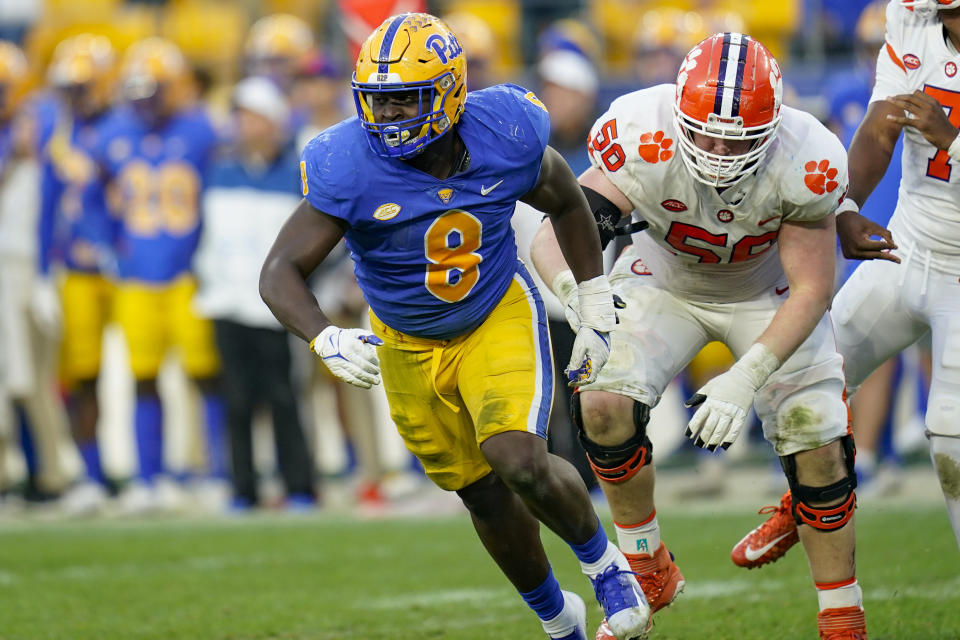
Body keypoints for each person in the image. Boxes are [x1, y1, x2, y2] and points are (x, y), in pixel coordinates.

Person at [260, 13, 652, 640]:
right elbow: (280, 270)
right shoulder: (347, 162)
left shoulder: (506, 131)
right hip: (405, 340)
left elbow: (566, 197)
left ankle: (608, 569)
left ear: (447, 92)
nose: (385, 117)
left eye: (401, 101)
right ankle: (558, 619)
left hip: (493, 312)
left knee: (518, 458)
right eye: (376, 102)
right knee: (482, 493)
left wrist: (593, 285)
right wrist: (323, 335)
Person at [530, 32, 867, 639]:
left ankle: (842, 615)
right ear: (678, 110)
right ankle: (645, 568)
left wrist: (745, 378)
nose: (714, 150)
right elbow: (558, 230)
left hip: (769, 295)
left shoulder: (808, 153)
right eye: (704, 132)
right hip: (663, 281)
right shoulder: (641, 128)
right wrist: (579, 297)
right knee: (600, 401)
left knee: (816, 437)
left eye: (735, 139)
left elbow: (813, 286)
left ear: (772, 126)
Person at [733, 0, 960, 569]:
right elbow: (882, 123)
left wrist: (952, 140)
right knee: (801, 380)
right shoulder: (911, 20)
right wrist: (848, 203)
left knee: (951, 440)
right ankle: (808, 499)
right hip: (907, 246)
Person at [98, 38, 224, 511]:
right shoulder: (112, 131)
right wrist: (109, 243)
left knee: (206, 375)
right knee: (142, 377)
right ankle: (149, 479)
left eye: (154, 92)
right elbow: (84, 192)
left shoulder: (201, 130)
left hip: (188, 273)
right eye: (140, 93)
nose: (146, 102)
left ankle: (215, 473)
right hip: (136, 277)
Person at [194, 76, 315, 510]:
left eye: (250, 116)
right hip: (227, 300)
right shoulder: (221, 169)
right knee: (238, 400)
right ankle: (242, 488)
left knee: (284, 398)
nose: (242, 125)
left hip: (275, 308)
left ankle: (300, 486)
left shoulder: (295, 172)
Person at [37, 33, 120, 514]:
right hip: (75, 268)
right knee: (82, 374)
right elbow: (49, 205)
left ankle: (162, 475)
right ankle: (90, 473)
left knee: (142, 370)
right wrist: (46, 267)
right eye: (69, 87)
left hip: (122, 268)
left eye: (83, 86)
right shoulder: (59, 130)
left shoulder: (124, 126)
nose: (75, 95)